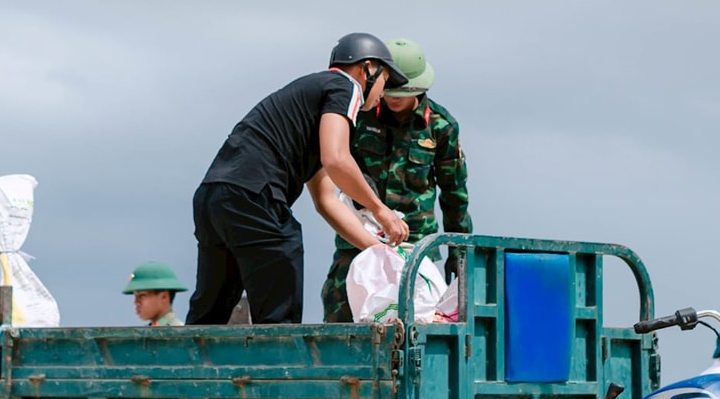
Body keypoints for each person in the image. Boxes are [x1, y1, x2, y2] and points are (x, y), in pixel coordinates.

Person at [187, 34, 413, 326]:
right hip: (254, 194)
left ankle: (175, 370)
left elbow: (326, 201)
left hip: (213, 198)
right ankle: (279, 366)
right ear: (366, 69)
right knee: (282, 275)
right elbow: (337, 159)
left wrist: (377, 249)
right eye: (385, 81)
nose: (384, 93)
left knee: (211, 311)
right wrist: (381, 210)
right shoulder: (345, 86)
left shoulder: (312, 105)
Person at [320, 38, 472, 322]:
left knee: (417, 324)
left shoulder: (440, 126)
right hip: (359, 239)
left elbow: (454, 195)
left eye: (404, 91)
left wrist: (458, 252)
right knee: (341, 319)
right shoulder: (359, 117)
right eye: (389, 89)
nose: (394, 98)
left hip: (414, 245)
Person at [125, 262, 189, 325]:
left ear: (164, 297)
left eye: (142, 296)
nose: (136, 302)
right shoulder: (149, 332)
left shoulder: (179, 333)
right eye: (135, 296)